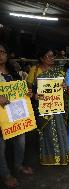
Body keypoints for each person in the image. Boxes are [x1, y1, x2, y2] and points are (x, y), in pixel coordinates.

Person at [27, 48, 69, 166]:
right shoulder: (34, 70)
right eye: (49, 56)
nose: (52, 58)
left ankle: (62, 156)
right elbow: (28, 90)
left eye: (53, 56)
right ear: (42, 58)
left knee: (59, 129)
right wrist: (34, 95)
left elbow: (65, 88)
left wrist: (64, 86)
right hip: (42, 107)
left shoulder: (59, 71)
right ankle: (49, 157)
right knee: (46, 132)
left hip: (56, 105)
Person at [0, 43, 34, 188]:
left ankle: (18, 165)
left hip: (15, 115)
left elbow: (20, 90)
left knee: (20, 142)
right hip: (1, 117)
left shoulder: (13, 71)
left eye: (2, 51)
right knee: (0, 147)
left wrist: (27, 94)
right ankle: (6, 174)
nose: (0, 54)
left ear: (7, 55)